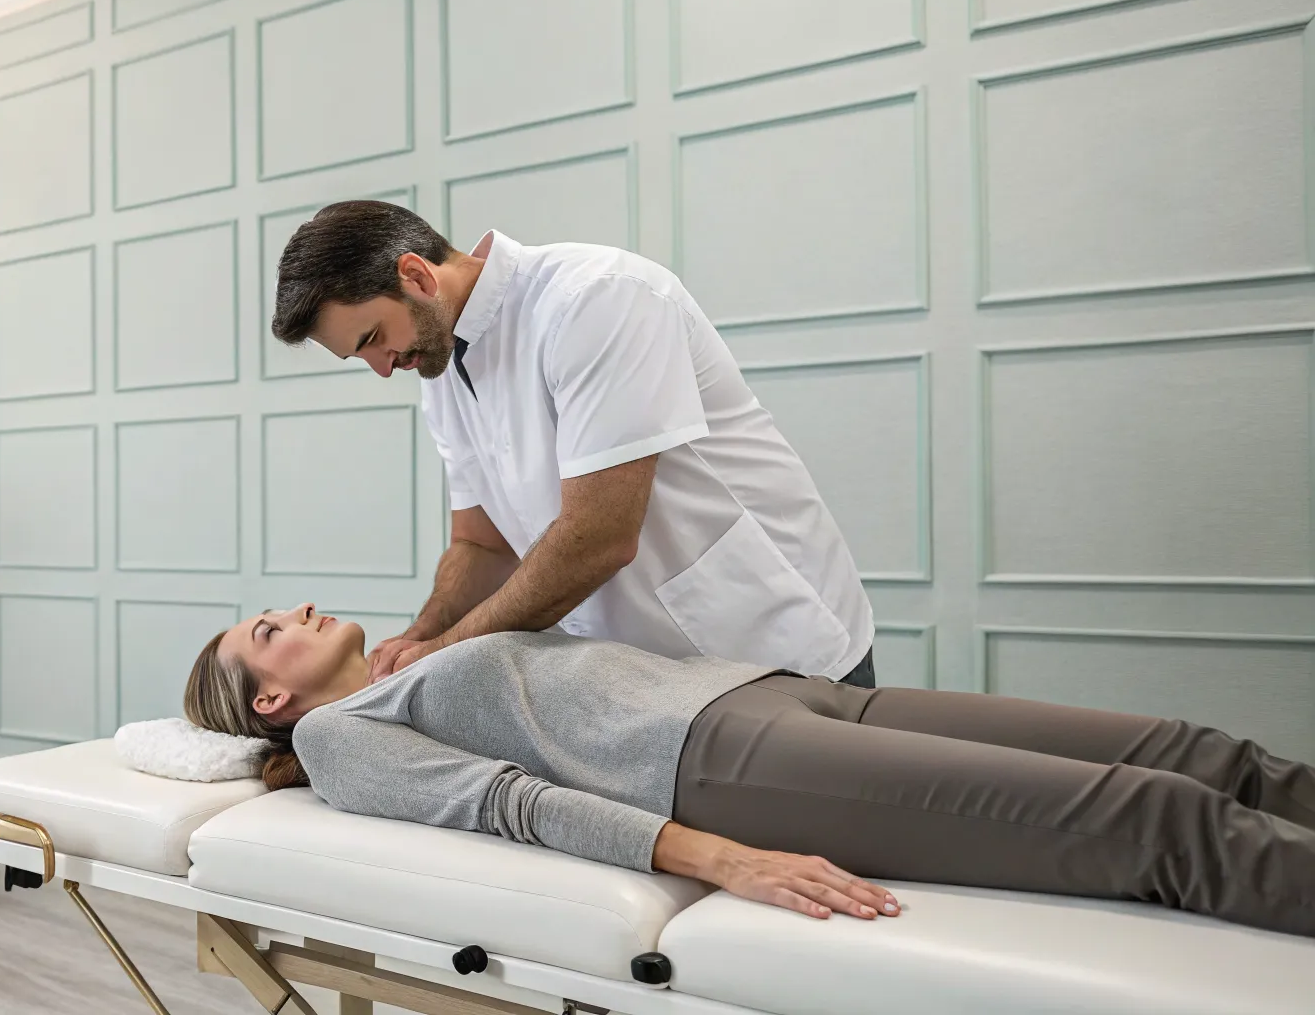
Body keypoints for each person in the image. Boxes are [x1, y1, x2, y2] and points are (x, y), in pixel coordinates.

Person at [184, 605, 1315, 938]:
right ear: (270, 702)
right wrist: (721, 858)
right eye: (267, 633)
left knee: (1190, 751)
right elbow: (506, 806)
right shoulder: (335, 741)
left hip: (775, 692)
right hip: (723, 764)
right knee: (1151, 817)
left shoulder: (409, 664)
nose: (295, 611)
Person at [272, 202, 877, 686]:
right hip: (664, 688)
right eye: (360, 356)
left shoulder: (597, 298)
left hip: (776, 645)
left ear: (417, 276)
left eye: (373, 338)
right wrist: (419, 637)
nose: (382, 368)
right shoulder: (440, 370)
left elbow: (600, 537)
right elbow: (482, 543)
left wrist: (445, 652)